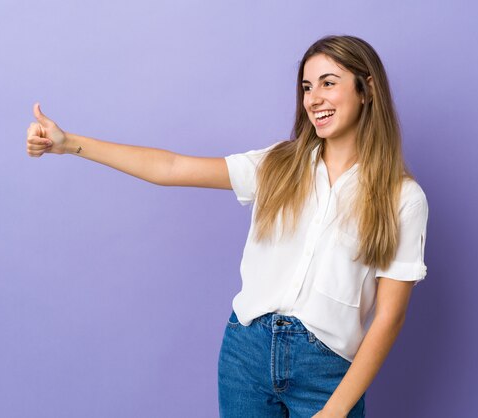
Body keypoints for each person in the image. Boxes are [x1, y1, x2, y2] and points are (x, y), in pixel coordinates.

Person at [25, 34, 429, 418]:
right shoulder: (277, 165)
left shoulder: (402, 198)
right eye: (307, 87)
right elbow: (170, 168)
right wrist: (69, 143)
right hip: (245, 353)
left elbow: (390, 316)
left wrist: (338, 408)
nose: (314, 98)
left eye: (328, 82)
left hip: (328, 371)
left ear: (367, 88)